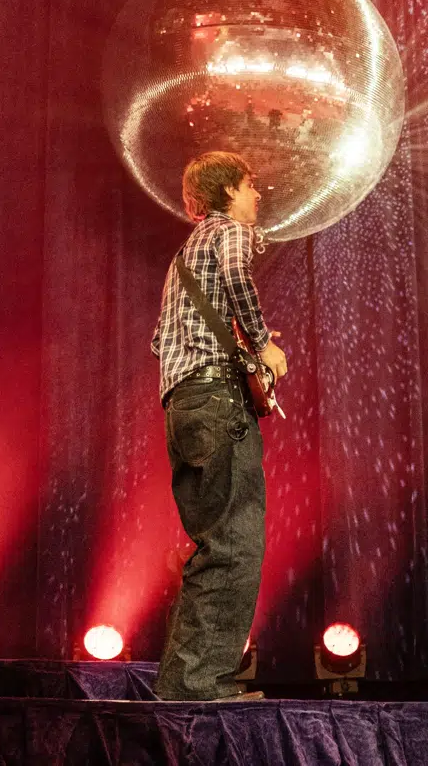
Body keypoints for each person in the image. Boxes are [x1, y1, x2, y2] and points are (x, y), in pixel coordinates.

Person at [150, 151, 287, 701]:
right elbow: (236, 277)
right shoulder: (225, 232)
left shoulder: (184, 255)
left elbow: (163, 341)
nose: (259, 196)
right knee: (235, 545)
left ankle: (183, 685)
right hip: (216, 405)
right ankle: (203, 684)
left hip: (184, 408)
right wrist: (263, 345)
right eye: (252, 185)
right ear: (228, 190)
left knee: (211, 547)